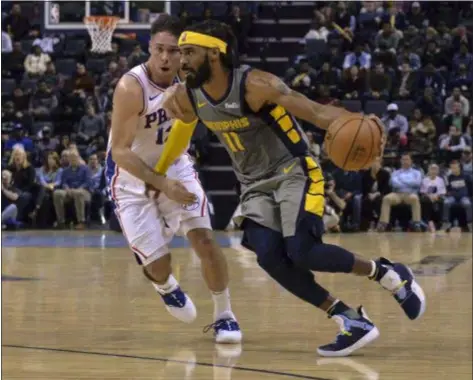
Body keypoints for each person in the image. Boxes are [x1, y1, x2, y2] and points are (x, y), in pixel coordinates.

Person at [155, 20, 426, 357]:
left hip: (292, 172)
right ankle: (350, 319)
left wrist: (357, 123)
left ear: (214, 53)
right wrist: (162, 172)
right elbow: (183, 125)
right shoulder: (187, 94)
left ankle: (389, 274)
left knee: (302, 250)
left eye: (188, 52)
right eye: (180, 53)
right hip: (253, 185)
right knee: (269, 257)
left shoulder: (256, 85)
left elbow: (315, 112)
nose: (180, 61)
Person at [106, 15, 241, 344]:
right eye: (158, 50)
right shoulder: (131, 86)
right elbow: (120, 152)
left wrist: (168, 176)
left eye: (173, 51)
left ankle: (225, 315)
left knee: (205, 239)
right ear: (149, 49)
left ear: (184, 52)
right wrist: (159, 182)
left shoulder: (191, 81)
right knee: (160, 265)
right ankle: (164, 285)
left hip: (175, 165)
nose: (165, 58)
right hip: (130, 176)